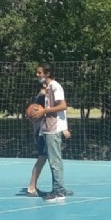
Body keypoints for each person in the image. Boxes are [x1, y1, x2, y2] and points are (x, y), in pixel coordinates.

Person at [28, 63, 72, 202]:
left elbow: (63, 105)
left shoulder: (55, 86)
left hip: (54, 129)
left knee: (54, 161)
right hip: (49, 128)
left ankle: (58, 191)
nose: (37, 75)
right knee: (54, 160)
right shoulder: (47, 88)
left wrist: (44, 111)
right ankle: (59, 188)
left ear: (47, 74)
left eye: (39, 73)